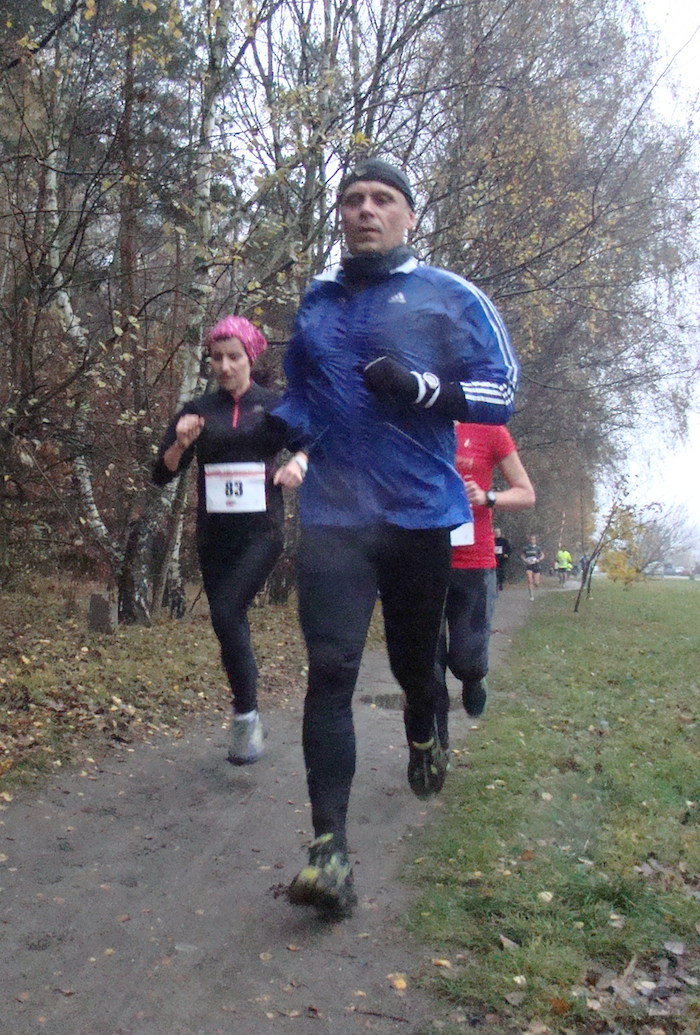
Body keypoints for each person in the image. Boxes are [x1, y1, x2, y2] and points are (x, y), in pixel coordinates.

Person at [272, 157, 519, 917]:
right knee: (331, 672)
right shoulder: (318, 302)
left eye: (382, 199)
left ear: (410, 215)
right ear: (340, 215)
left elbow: (503, 387)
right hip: (334, 518)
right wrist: (275, 433)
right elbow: (303, 396)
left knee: (416, 665)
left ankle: (423, 727)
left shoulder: (450, 296)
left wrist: (424, 388)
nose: (365, 210)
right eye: (352, 200)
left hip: (416, 517)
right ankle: (329, 851)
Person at [152, 316, 307, 766]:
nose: (223, 366)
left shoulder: (275, 406)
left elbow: (315, 440)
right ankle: (247, 710)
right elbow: (161, 473)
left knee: (226, 610)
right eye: (216, 357)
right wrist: (180, 445)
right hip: (215, 534)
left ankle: (245, 715)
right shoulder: (198, 410)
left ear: (250, 358)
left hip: (262, 531)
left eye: (233, 357)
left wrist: (298, 462)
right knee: (227, 622)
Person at [433, 424, 535, 746]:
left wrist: (487, 497)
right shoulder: (414, 422)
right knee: (426, 669)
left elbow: (526, 493)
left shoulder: (490, 429)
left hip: (474, 563)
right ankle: (433, 749)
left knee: (466, 660)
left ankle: (474, 677)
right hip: (423, 561)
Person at [521, 534, 545, 600]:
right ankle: (531, 595)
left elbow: (543, 555)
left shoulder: (538, 548)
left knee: (536, 583)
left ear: (535, 540)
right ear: (529, 540)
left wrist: (539, 559)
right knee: (529, 580)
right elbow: (522, 555)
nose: (532, 540)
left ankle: (536, 584)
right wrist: (525, 559)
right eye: (531, 539)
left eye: (533, 539)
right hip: (529, 565)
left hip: (536, 565)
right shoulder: (526, 548)